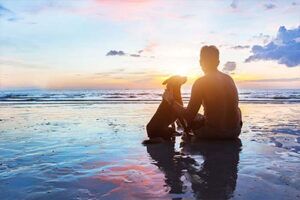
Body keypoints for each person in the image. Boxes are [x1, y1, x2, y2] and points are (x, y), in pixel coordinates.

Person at [163, 45, 242, 139]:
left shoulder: (200, 82)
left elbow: (189, 115)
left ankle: (185, 130)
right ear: (218, 62)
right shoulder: (229, 79)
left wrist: (170, 100)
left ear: (201, 62)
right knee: (238, 109)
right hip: (234, 132)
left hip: (211, 134)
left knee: (184, 116)